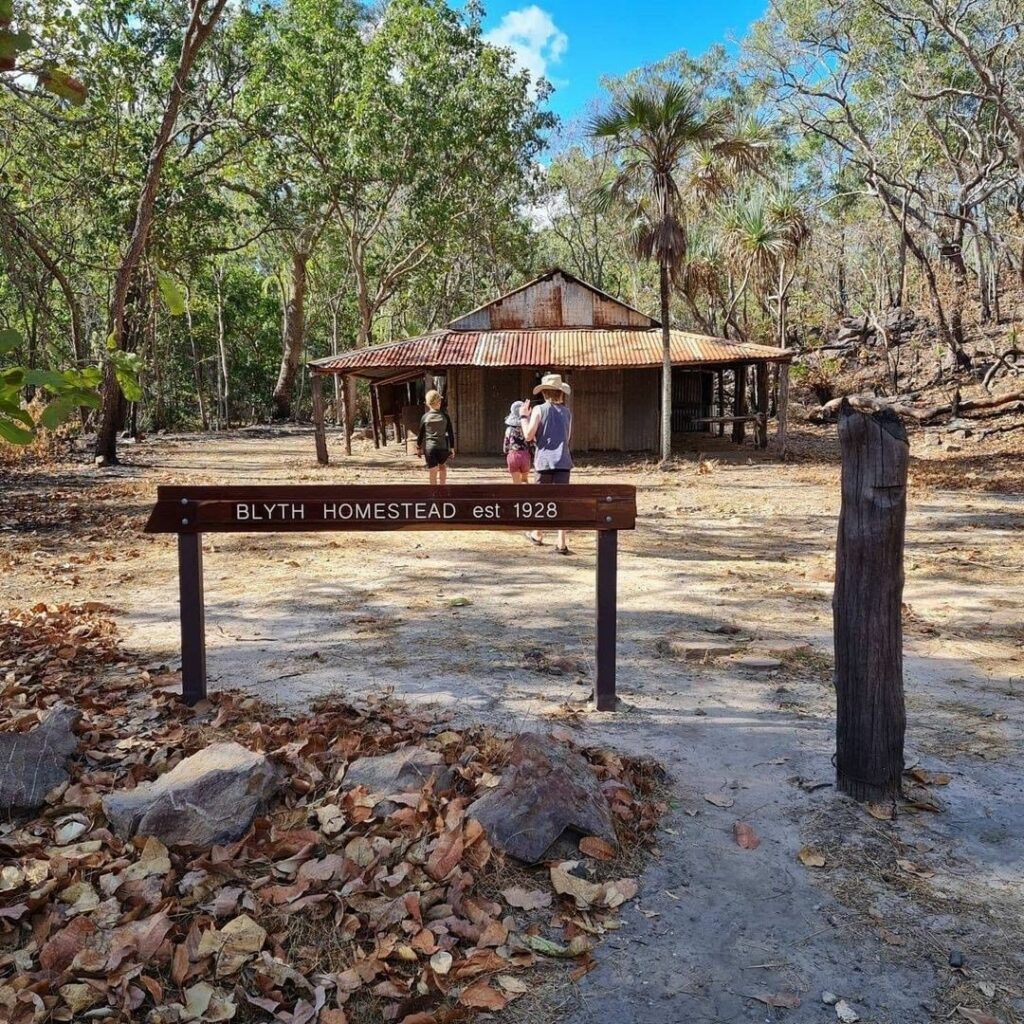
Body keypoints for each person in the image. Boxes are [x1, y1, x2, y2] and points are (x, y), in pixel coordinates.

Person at [519, 372, 573, 555]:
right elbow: (568, 438)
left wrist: (523, 417)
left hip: (544, 461)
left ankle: (538, 533)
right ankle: (562, 542)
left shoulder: (539, 410)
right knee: (562, 502)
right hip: (564, 461)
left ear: (544, 393)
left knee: (541, 500)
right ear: (560, 393)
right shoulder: (567, 412)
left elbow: (528, 435)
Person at [416, 389, 455, 484]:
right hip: (443, 448)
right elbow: (450, 433)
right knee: (442, 467)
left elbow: (420, 434)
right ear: (439, 402)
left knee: (433, 470)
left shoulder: (425, 417)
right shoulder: (445, 416)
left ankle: (433, 494)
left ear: (428, 403)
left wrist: (418, 447)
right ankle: (442, 490)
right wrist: (452, 448)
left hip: (430, 449)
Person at [503, 400, 533, 483]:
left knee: (516, 483)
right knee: (525, 480)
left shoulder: (509, 429)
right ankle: (527, 495)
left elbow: (506, 445)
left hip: (513, 455)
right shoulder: (527, 429)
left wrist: (506, 452)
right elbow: (532, 442)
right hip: (525, 456)